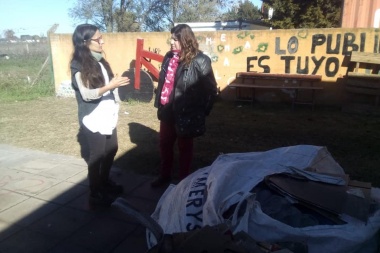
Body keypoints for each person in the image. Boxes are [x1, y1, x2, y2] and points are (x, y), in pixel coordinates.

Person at [70, 24, 130, 206]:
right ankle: (95, 194)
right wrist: (110, 86)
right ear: (85, 42)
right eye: (98, 39)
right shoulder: (78, 64)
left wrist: (114, 84)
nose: (102, 41)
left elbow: (106, 85)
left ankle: (104, 182)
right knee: (97, 156)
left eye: (101, 37)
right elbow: (87, 94)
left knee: (112, 149)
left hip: (107, 114)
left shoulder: (101, 60)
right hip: (93, 117)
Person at [152, 24, 217, 187]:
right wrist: (160, 103)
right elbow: (162, 83)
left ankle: (183, 183)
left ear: (185, 40)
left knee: (185, 149)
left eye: (175, 39)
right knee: (165, 145)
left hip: (186, 113)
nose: (171, 42)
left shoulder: (200, 60)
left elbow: (211, 89)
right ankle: (164, 176)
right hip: (168, 111)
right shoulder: (169, 57)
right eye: (171, 38)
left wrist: (202, 111)